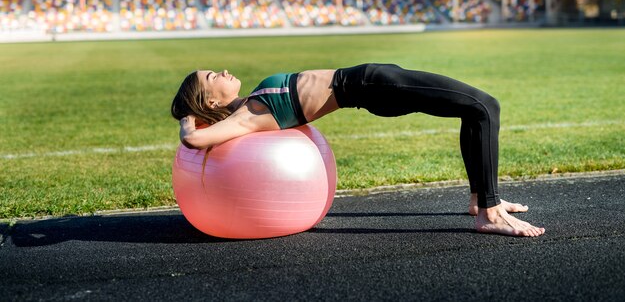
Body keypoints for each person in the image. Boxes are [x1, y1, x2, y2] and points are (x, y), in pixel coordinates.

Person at [171, 63, 545, 237]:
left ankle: (481, 199)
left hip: (371, 80)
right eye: (211, 77)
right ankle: (490, 213)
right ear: (207, 99)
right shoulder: (246, 118)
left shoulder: (247, 106)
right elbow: (193, 139)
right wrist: (188, 116)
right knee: (483, 106)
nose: (220, 72)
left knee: (475, 109)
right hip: (370, 85)